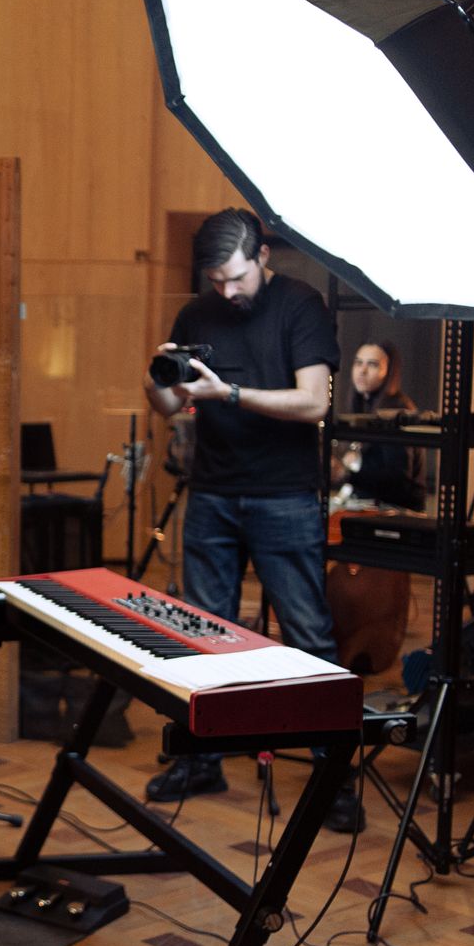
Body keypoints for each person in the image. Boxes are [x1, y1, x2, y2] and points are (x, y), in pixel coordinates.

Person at [142, 208, 362, 832]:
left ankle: (334, 778)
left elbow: (314, 402)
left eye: (236, 277)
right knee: (201, 634)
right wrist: (158, 376)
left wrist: (230, 394)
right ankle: (201, 760)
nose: (227, 291)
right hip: (212, 492)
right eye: (216, 280)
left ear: (263, 256)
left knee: (308, 637)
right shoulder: (197, 313)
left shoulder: (300, 305)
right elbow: (168, 406)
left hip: (283, 496)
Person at [335, 340, 427, 510]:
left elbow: (398, 481)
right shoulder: (365, 406)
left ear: (389, 372)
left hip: (396, 510)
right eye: (358, 363)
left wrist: (347, 474)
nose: (362, 371)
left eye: (372, 364)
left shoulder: (396, 411)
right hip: (370, 502)